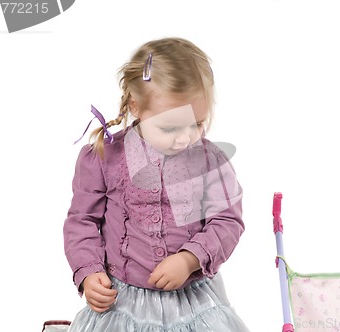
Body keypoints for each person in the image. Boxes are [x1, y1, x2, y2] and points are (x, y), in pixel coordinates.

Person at [63, 37, 249, 332]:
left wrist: (190, 259)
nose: (185, 137)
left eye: (197, 124)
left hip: (193, 301)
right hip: (122, 299)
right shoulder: (103, 157)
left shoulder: (210, 161)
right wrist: (88, 272)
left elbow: (227, 221)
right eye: (170, 127)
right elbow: (82, 220)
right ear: (136, 107)